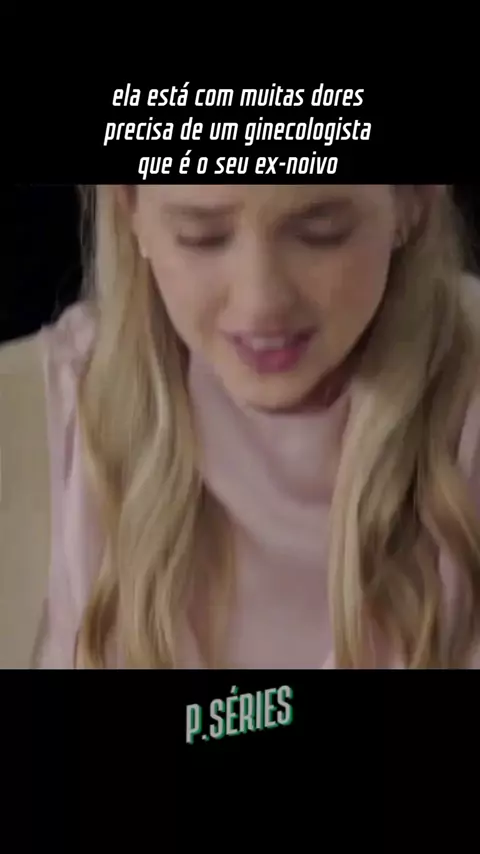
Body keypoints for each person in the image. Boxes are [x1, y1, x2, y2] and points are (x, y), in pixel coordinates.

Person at [1, 184, 480, 669]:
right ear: (130, 210)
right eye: (201, 236)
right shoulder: (27, 429)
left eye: (321, 233)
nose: (260, 302)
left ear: (413, 199)